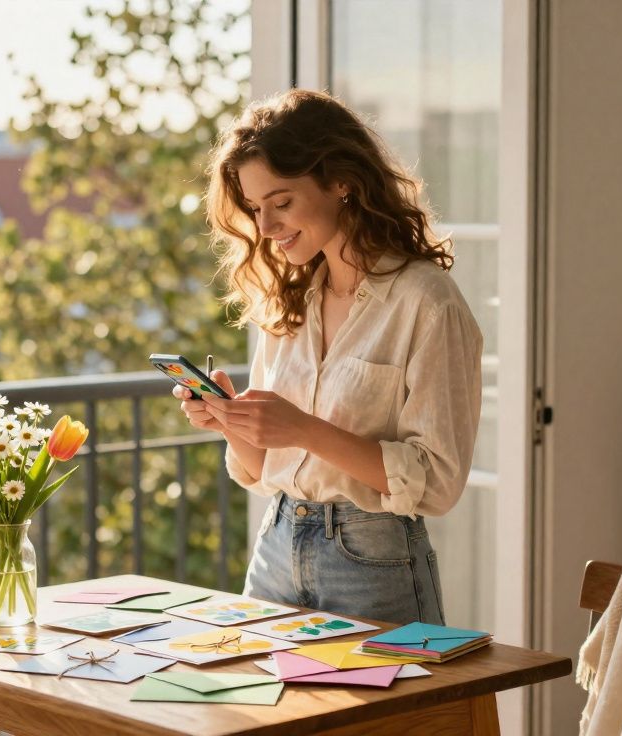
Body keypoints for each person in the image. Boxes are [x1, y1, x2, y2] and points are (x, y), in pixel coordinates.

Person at [173, 89, 483, 625]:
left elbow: (436, 482)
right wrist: (231, 421)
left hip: (374, 562)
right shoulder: (290, 301)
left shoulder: (426, 303)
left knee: (389, 711)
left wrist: (303, 429)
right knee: (258, 709)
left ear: (341, 181)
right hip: (275, 547)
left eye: (282, 202)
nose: (266, 227)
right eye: (255, 208)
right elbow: (265, 466)